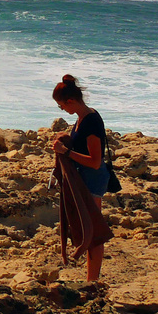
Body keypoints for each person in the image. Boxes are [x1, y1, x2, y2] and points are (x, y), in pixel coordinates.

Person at [52, 74, 111, 282]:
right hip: (87, 178)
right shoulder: (82, 118)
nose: (62, 110)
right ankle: (91, 279)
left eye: (61, 106)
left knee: (93, 232)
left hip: (93, 179)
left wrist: (66, 153)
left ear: (70, 101)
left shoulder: (90, 122)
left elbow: (95, 161)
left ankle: (92, 281)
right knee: (88, 228)